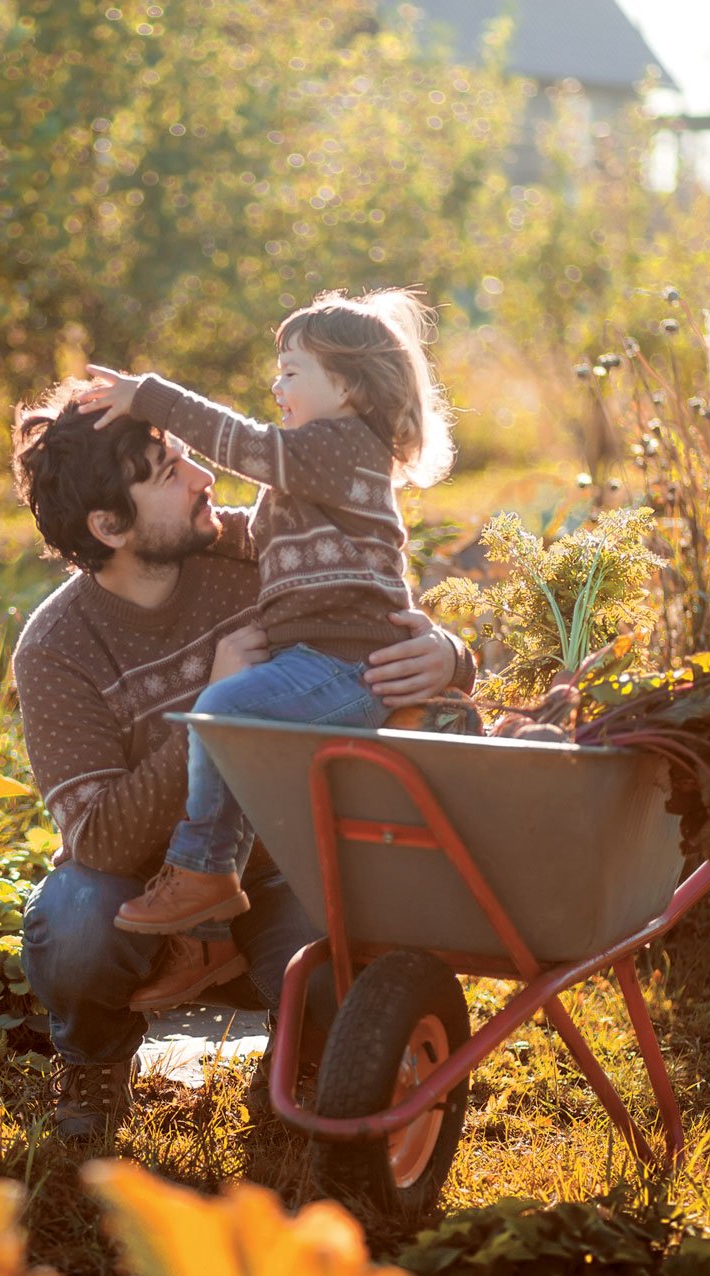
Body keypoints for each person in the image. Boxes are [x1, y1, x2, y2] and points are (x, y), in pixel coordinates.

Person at [9, 382, 474, 1138]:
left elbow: (385, 626)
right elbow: (95, 838)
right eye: (168, 473)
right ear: (109, 524)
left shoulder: (258, 547)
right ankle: (93, 1067)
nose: (205, 479)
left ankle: (300, 1061)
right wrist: (215, 714)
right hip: (148, 890)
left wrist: (445, 657)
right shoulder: (57, 648)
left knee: (347, 979)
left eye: (189, 457)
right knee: (74, 921)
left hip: (285, 860)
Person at [72, 288, 456, 985]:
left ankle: (200, 872)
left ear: (345, 386)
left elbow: (246, 447)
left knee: (226, 710)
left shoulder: (341, 447)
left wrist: (149, 397)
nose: (275, 385)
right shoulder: (304, 481)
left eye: (291, 371)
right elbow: (251, 531)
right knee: (240, 753)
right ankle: (211, 931)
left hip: (348, 664)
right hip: (322, 660)